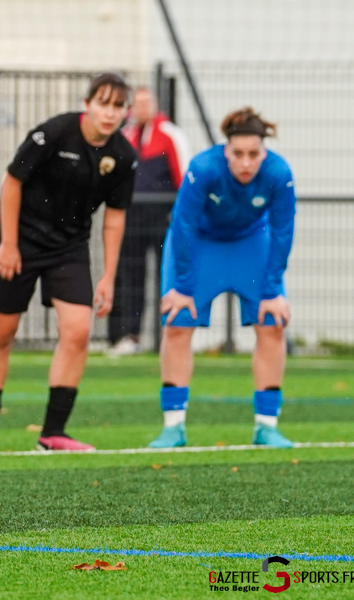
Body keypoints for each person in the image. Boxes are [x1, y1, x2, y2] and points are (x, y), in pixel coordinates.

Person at [0, 73, 136, 452]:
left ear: (126, 111)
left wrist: (108, 276)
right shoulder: (54, 133)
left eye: (118, 106)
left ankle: (53, 433)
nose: (110, 113)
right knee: (0, 333)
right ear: (88, 103)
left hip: (69, 247)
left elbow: (114, 217)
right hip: (19, 240)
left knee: (78, 331)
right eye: (103, 103)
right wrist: (8, 244)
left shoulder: (124, 156)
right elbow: (12, 183)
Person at [150, 107, 296, 449]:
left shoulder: (278, 172)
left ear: (264, 151)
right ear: (226, 150)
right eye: (238, 154)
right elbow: (183, 224)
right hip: (199, 244)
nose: (246, 163)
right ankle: (173, 428)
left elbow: (282, 231)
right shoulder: (202, 169)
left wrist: (273, 289)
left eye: (253, 154)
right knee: (177, 322)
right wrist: (183, 286)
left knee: (272, 323)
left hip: (250, 243)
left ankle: (267, 426)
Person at [107, 87, 191, 356]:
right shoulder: (124, 137)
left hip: (162, 217)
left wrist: (177, 215)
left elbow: (185, 178)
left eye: (147, 103)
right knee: (131, 277)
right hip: (132, 218)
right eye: (138, 103)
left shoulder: (170, 135)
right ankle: (130, 336)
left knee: (168, 273)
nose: (142, 108)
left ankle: (171, 332)